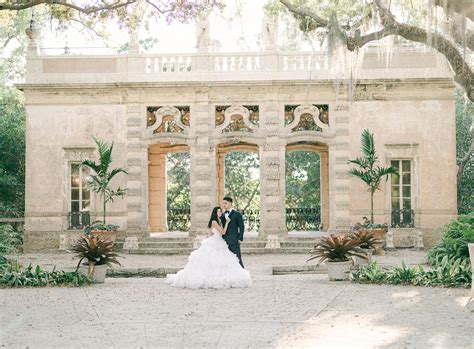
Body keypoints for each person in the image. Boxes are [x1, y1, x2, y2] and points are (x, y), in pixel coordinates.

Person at [165, 206, 251, 289]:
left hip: (219, 241)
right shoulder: (214, 221)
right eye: (218, 211)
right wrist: (228, 223)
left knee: (220, 261)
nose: (220, 212)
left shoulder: (219, 220)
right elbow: (223, 232)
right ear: (214, 213)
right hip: (216, 241)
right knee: (212, 260)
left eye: (220, 211)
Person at [221, 196, 245, 268]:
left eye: (226, 203)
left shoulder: (237, 214)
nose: (224, 205)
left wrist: (240, 238)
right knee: (227, 260)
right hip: (224, 241)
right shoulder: (222, 215)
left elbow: (241, 227)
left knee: (237, 258)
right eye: (223, 203)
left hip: (234, 240)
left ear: (230, 203)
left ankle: (242, 274)